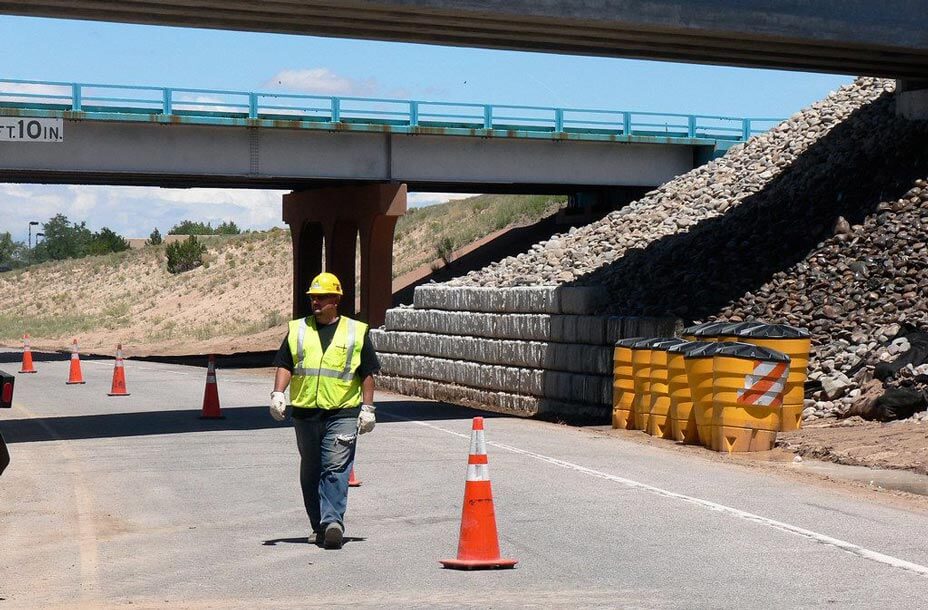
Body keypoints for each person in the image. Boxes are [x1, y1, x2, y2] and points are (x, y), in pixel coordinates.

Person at [269, 272, 380, 549]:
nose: (315, 302)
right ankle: (318, 523)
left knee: (336, 466)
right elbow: (286, 363)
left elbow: (367, 372)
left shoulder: (356, 331)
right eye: (312, 297)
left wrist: (367, 408)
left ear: (336, 299)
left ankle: (333, 523)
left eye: (321, 297)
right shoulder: (298, 330)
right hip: (306, 411)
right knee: (311, 469)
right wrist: (278, 393)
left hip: (342, 411)